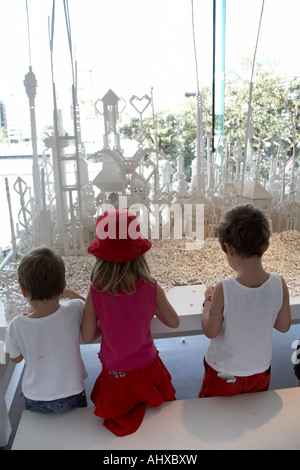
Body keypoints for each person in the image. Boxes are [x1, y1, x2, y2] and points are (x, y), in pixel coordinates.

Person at [82, 209, 180, 436]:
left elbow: (88, 336)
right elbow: (173, 321)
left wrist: (108, 322)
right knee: (156, 424)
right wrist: (145, 310)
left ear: (101, 255)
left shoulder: (96, 291)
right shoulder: (151, 286)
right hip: (148, 371)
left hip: (115, 374)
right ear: (138, 253)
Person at [199, 204, 291, 398]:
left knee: (215, 412)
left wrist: (208, 299)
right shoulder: (279, 283)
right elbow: (283, 327)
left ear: (229, 248)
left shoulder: (223, 288)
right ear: (265, 246)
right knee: (251, 409)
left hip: (223, 374)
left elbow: (210, 330)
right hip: (260, 371)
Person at [5, 247, 88, 413]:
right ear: (63, 285)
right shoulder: (75, 309)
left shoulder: (16, 325)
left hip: (36, 397)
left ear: (23, 289)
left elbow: (16, 358)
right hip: (73, 392)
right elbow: (89, 306)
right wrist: (70, 293)